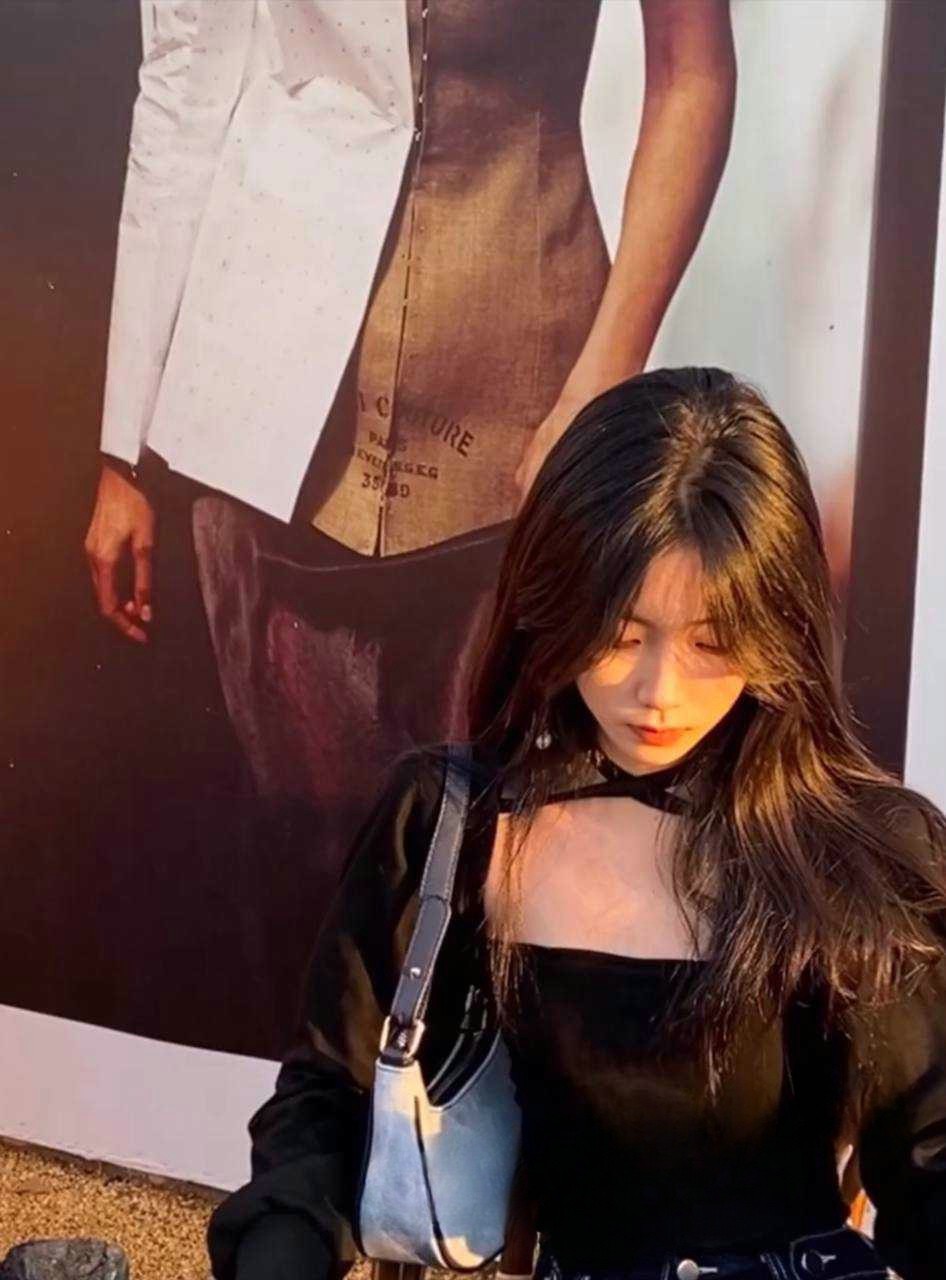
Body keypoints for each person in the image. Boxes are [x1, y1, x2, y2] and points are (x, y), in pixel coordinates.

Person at [205, 368, 946, 1280]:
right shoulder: (456, 825)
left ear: (778, 629)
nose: (659, 692)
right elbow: (331, 1100)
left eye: (715, 641)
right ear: (552, 604)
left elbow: (932, 1156)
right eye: (621, 635)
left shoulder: (863, 848)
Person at [84, 0, 737, 877]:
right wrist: (125, 448)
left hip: (522, 407)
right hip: (260, 413)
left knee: (495, 860)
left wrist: (599, 386)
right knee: (300, 861)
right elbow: (181, 89)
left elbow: (692, 74)